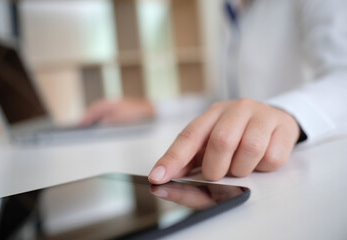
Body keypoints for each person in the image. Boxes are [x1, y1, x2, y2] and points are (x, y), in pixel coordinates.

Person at [82, 0, 347, 184]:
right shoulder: (227, 9)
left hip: (308, 166)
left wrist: (287, 113)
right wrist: (152, 107)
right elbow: (223, 99)